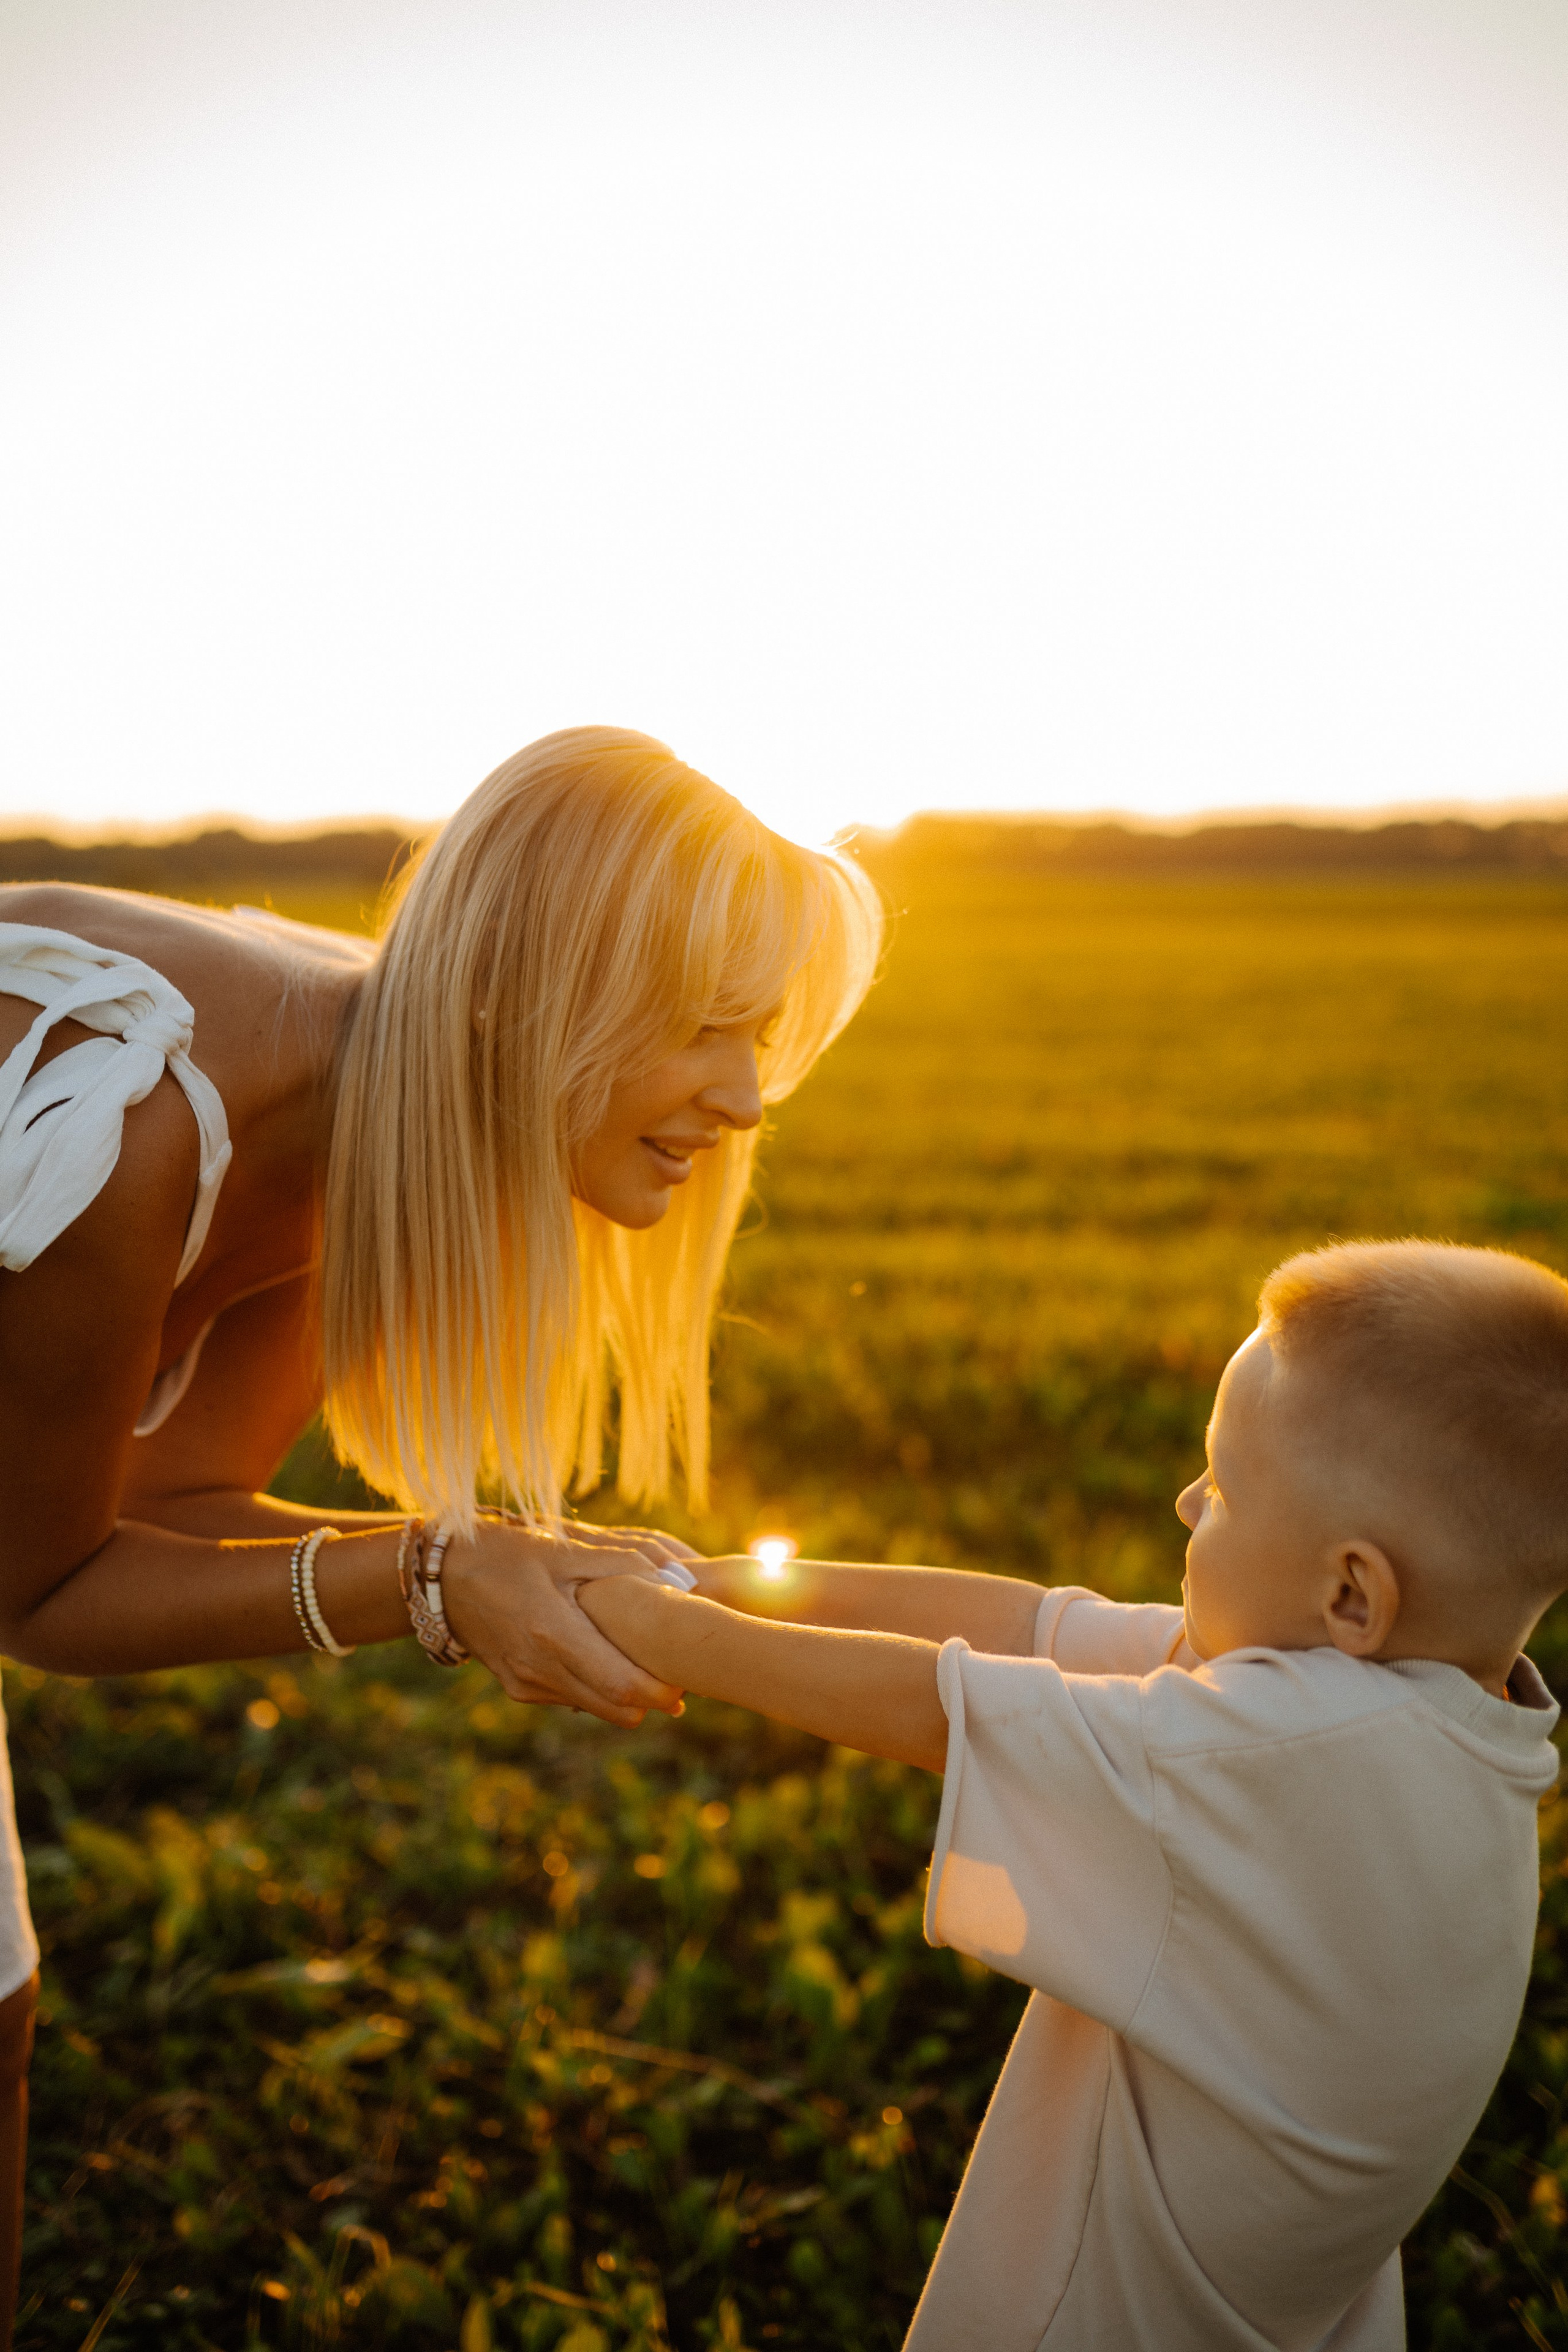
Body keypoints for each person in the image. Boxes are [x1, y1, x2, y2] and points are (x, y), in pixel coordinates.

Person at [0, 726, 881, 2343]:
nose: (752, 1099)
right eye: (709, 1031)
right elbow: (43, 1589)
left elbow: (164, 1509)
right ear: (546, 999)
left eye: (764, 1037)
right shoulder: (141, 1106)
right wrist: (437, 1576)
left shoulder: (384, 1107)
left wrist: (482, 1567)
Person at [581, 1238, 1568, 2350]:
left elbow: (939, 1707)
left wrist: (662, 1630)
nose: (1187, 1502)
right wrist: (717, 1580)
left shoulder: (1268, 1760)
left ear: (1352, 1593)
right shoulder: (1422, 1726)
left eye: (1225, 1488)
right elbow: (1025, 1628)